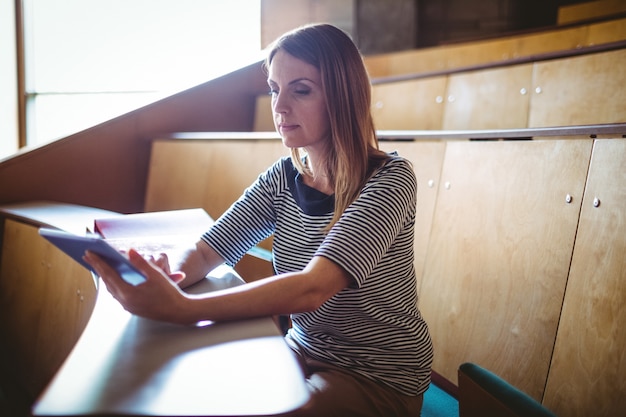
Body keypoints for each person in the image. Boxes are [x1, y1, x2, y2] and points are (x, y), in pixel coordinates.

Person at [84, 23, 433, 417]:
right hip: (302, 347)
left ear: (342, 97)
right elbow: (205, 250)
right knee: (213, 389)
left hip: (376, 374)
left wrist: (182, 308)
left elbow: (312, 289)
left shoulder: (390, 179)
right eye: (274, 89)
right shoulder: (282, 178)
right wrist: (171, 278)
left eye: (300, 90)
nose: (280, 107)